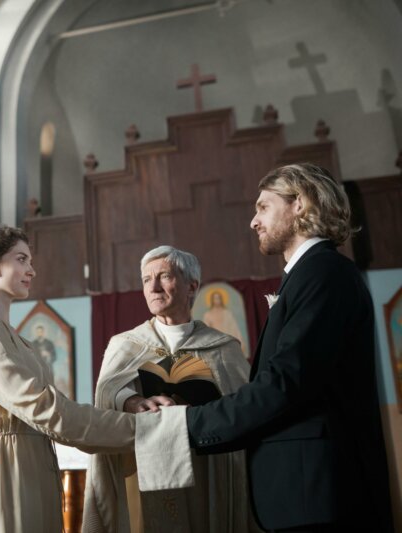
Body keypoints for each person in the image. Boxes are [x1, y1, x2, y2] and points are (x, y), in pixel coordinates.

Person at [150, 163, 392, 532]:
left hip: (319, 497)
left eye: (263, 207)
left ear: (299, 204)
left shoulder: (323, 272)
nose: (253, 221)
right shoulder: (309, 275)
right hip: (305, 495)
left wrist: (187, 424)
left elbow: (285, 382)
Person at [0, 225, 141, 532]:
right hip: (4, 475)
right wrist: (138, 430)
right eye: (22, 259)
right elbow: (44, 408)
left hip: (34, 469)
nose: (32, 270)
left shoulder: (18, 339)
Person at [83, 246, 258, 533]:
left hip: (207, 468)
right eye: (145, 279)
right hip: (144, 465)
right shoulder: (125, 344)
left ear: (191, 286)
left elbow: (244, 407)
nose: (153, 287)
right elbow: (106, 394)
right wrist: (133, 401)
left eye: (163, 276)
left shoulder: (223, 348)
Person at [201, 289, 248, 359]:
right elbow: (205, 332)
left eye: (218, 298)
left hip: (228, 344)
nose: (217, 300)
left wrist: (240, 342)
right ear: (212, 300)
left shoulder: (227, 313)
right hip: (215, 344)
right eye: (215, 298)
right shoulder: (208, 315)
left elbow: (234, 329)